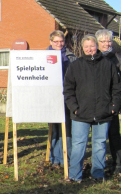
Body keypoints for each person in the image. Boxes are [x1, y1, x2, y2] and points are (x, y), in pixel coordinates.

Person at [64, 34, 121, 182]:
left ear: (97, 46)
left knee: (100, 145)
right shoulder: (75, 66)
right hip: (80, 114)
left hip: (103, 113)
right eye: (86, 46)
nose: (90, 49)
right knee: (78, 146)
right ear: (82, 48)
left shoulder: (108, 65)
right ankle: (75, 176)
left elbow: (116, 88)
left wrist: (114, 106)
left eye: (92, 46)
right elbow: (68, 90)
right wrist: (74, 107)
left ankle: (98, 174)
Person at [95, 29, 121, 174]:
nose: (107, 44)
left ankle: (118, 163)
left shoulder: (118, 59)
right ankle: (97, 165)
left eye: (109, 41)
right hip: (94, 103)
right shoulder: (92, 57)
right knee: (97, 136)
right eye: (103, 41)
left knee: (114, 134)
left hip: (113, 102)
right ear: (97, 42)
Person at [46, 30, 77, 167]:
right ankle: (54, 159)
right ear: (51, 42)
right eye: (56, 41)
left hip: (67, 98)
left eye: (61, 41)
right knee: (54, 129)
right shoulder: (43, 56)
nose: (59, 44)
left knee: (67, 129)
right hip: (51, 99)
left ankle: (66, 158)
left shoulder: (71, 57)